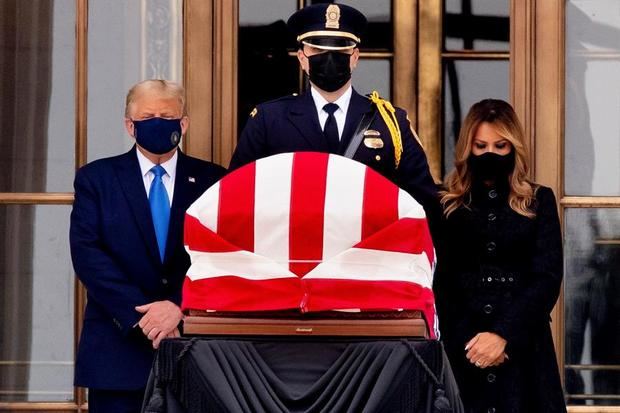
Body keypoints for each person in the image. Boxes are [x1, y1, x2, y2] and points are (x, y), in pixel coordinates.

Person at [69, 79, 226, 413]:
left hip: (193, 348)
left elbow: (221, 256)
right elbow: (88, 255)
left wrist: (177, 306)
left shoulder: (213, 180)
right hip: (117, 349)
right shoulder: (97, 179)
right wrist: (143, 315)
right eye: (149, 116)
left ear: (183, 123)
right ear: (130, 125)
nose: (159, 122)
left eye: (167, 116)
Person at [229, 3, 439, 221]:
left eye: (340, 49)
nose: (329, 57)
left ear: (355, 57)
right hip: (292, 249)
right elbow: (235, 197)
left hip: (368, 250)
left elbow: (422, 204)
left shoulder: (391, 123)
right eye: (318, 50)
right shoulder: (269, 120)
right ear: (302, 58)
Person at [433, 99, 566, 412]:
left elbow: (546, 276)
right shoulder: (444, 203)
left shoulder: (538, 200)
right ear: (468, 147)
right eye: (480, 146)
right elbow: (439, 278)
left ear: (513, 147)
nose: (490, 153)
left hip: (524, 349)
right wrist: (473, 342)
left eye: (500, 145)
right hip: (460, 348)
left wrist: (504, 334)